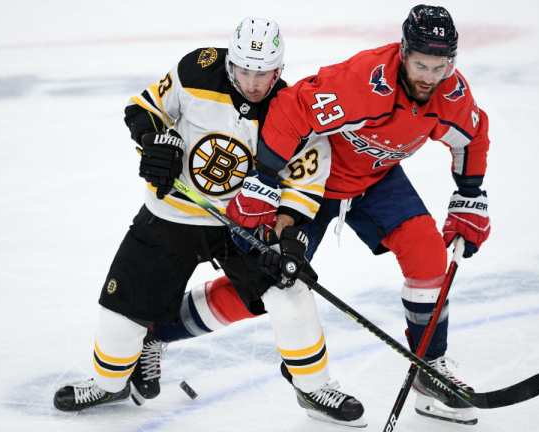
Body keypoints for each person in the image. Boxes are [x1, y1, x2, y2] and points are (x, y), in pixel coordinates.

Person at [158, 4, 491, 426]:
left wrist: (470, 195)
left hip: (377, 180)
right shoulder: (363, 82)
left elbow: (471, 136)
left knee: (428, 254)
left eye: (439, 67)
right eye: (420, 64)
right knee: (265, 285)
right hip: (313, 180)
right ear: (403, 53)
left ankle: (429, 372)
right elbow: (293, 108)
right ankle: (160, 332)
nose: (428, 76)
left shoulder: (451, 94)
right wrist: (264, 179)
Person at [52, 17, 366, 426]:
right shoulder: (195, 70)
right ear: (230, 61)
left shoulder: (294, 108)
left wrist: (289, 236)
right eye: (245, 71)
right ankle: (109, 381)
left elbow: (304, 180)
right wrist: (154, 144)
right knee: (123, 306)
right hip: (173, 212)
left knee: (291, 295)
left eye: (265, 73)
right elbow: (144, 110)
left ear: (281, 69)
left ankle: (313, 387)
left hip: (245, 225)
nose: (254, 83)